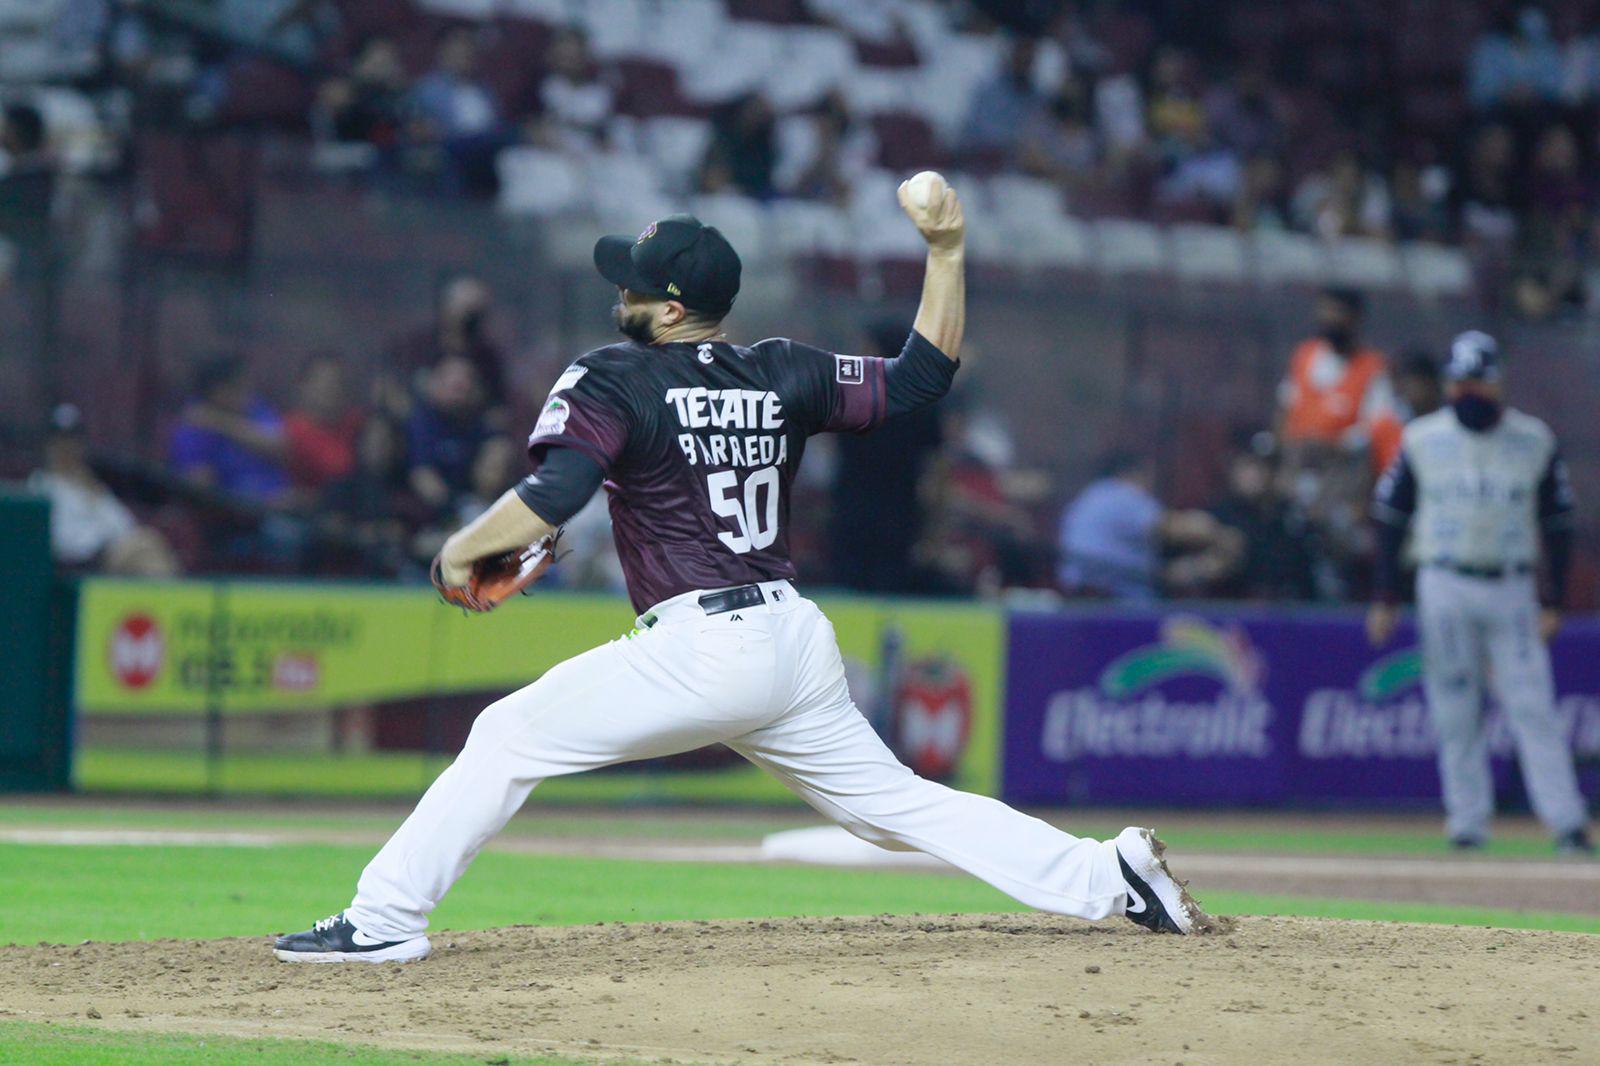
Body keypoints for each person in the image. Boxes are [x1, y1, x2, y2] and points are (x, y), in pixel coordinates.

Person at [274, 182, 1214, 962]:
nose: (622, 297)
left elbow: (557, 490)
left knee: (507, 735)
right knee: (895, 810)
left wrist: (458, 547)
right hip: (790, 639)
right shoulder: (782, 370)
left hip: (702, 644)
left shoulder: (614, 375)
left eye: (635, 288)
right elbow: (921, 378)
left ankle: (384, 921)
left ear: (671, 309)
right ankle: (1109, 876)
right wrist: (948, 251)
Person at [1368, 331, 1593, 856]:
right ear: (1449, 383)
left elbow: (1558, 522)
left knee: (1532, 703)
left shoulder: (1532, 437)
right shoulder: (1422, 436)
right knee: (1454, 705)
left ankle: (1567, 823)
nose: (1468, 391)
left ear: (1497, 383)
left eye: (1478, 381)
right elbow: (1391, 517)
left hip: (1511, 583)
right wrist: (1384, 594)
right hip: (1444, 578)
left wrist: (1555, 598)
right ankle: (1467, 822)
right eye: (1460, 381)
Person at [828, 317, 943, 594]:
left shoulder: (850, 399)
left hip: (882, 515)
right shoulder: (922, 400)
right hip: (875, 515)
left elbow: (936, 470)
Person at [1057, 452, 1238, 602]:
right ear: (1134, 474)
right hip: (1113, 601)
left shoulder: (1092, 494)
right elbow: (1177, 528)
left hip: (1095, 594)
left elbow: (1161, 574)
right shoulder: (1121, 495)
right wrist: (1224, 535)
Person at [28, 404, 178, 576]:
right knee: (146, 548)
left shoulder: (90, 485)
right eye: (61, 443)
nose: (67, 450)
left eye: (72, 443)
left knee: (148, 546)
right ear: (48, 447)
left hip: (115, 555)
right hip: (78, 563)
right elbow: (61, 541)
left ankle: (170, 594)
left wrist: (94, 499)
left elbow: (125, 525)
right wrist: (104, 544)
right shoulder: (40, 487)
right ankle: (178, 596)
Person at [1277, 287, 1402, 473]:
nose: (1330, 320)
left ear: (1355, 318)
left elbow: (1376, 425)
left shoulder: (1372, 367)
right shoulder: (1304, 356)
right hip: (1297, 463)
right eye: (1326, 312)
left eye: (1337, 313)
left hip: (1342, 470)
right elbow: (1285, 407)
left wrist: (1335, 446)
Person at [168, 354, 291, 505]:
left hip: (279, 504)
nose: (248, 390)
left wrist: (220, 422)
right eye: (239, 385)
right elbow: (197, 483)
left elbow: (279, 447)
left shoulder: (256, 408)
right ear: (218, 390)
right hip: (234, 510)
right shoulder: (192, 426)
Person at [282, 354, 363, 495]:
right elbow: (337, 469)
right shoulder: (291, 429)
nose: (332, 389)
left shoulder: (356, 422)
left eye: (337, 382)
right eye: (324, 382)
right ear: (303, 386)